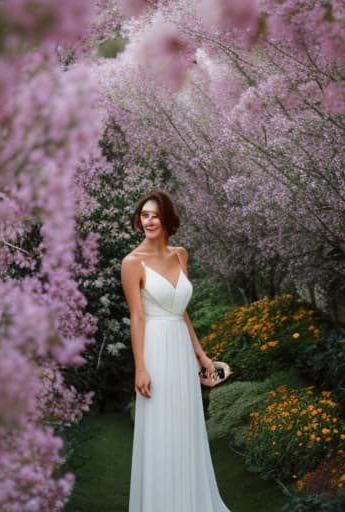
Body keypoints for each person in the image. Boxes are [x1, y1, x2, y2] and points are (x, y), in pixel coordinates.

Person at [121, 190, 231, 512]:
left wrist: (201, 354)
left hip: (181, 351)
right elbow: (137, 317)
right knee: (159, 432)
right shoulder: (131, 263)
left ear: (167, 219)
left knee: (186, 430)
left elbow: (180, 309)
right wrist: (140, 367)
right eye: (144, 215)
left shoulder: (181, 255)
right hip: (154, 349)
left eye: (155, 215)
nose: (149, 220)